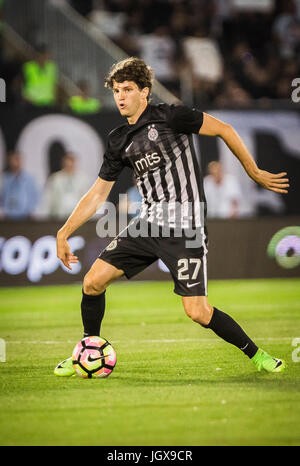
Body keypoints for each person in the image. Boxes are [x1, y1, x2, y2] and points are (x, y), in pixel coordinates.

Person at [54, 57, 289, 377]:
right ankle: (88, 348)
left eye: (127, 89)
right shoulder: (118, 139)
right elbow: (98, 194)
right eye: (116, 91)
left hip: (186, 227)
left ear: (145, 92)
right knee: (93, 282)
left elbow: (224, 129)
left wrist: (255, 172)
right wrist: (64, 232)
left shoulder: (171, 116)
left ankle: (258, 355)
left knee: (198, 311)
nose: (120, 96)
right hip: (149, 223)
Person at [43, 152, 89, 220]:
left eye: (71, 165)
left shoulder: (83, 180)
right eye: (67, 165)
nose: (69, 167)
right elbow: (48, 199)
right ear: (63, 164)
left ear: (75, 164)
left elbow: (87, 200)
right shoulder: (55, 179)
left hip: (77, 218)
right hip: (58, 217)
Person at [0, 151, 40, 220]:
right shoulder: (4, 179)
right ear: (9, 161)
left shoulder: (30, 179)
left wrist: (32, 210)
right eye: (13, 159)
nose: (15, 162)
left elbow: (36, 197)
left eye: (18, 159)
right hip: (7, 218)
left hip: (27, 217)